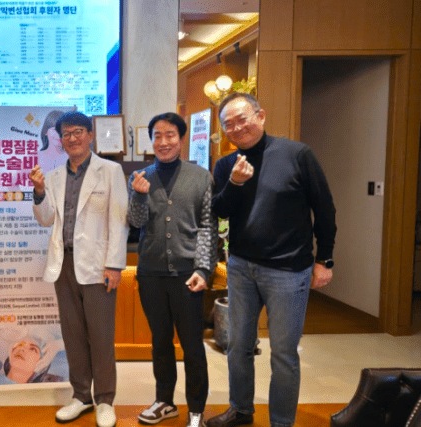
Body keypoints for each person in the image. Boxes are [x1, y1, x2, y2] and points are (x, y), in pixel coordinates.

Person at [206, 93, 336, 427]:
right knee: (238, 346)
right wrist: (235, 183)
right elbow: (220, 210)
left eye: (242, 119)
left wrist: (325, 259)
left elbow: (324, 208)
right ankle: (240, 410)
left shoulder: (297, 154)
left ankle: (281, 422)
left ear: (260, 116)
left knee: (283, 353)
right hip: (241, 268)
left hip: (289, 271)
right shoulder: (226, 165)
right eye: (228, 124)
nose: (236, 128)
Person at [28, 111, 128, 427]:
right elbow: (45, 219)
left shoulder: (110, 171)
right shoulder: (54, 176)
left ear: (90, 135)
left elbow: (119, 220)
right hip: (64, 265)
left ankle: (105, 400)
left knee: (100, 336)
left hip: (99, 267)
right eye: (66, 134)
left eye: (78, 132)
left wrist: (114, 265)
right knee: (72, 335)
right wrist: (39, 192)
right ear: (60, 139)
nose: (72, 138)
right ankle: (82, 396)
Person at [128, 113, 216, 427]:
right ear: (151, 140)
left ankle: (196, 409)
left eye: (170, 135)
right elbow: (135, 223)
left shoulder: (201, 177)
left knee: (192, 345)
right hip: (150, 273)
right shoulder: (140, 177)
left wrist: (203, 269)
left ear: (181, 139)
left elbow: (207, 227)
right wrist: (138, 195)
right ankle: (165, 401)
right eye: (158, 136)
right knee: (160, 341)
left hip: (187, 275)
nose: (163, 142)